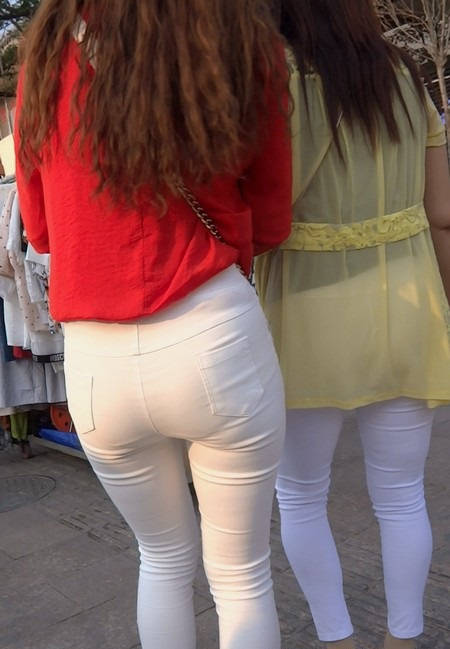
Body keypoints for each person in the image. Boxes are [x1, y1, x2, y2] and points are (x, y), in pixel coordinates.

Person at [14, 2, 292, 648]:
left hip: (96, 360)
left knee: (162, 558)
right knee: (242, 575)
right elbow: (274, 215)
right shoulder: (235, 34)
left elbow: (42, 230)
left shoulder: (46, 55)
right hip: (211, 326)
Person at [256, 2, 450, 649]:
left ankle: (337, 638)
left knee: (299, 495)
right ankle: (404, 638)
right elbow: (442, 213)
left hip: (301, 315)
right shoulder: (405, 74)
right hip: (406, 304)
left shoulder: (269, 79)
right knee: (402, 494)